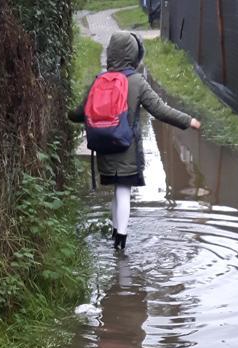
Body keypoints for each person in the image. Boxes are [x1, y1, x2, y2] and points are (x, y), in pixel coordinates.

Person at [69, 31, 201, 249]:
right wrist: (188, 121)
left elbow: (80, 113)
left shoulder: (99, 81)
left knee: (116, 191)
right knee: (123, 191)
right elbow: (160, 110)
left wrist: (65, 113)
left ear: (111, 53)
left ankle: (115, 233)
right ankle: (121, 242)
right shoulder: (137, 82)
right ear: (133, 54)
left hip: (103, 147)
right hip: (126, 148)